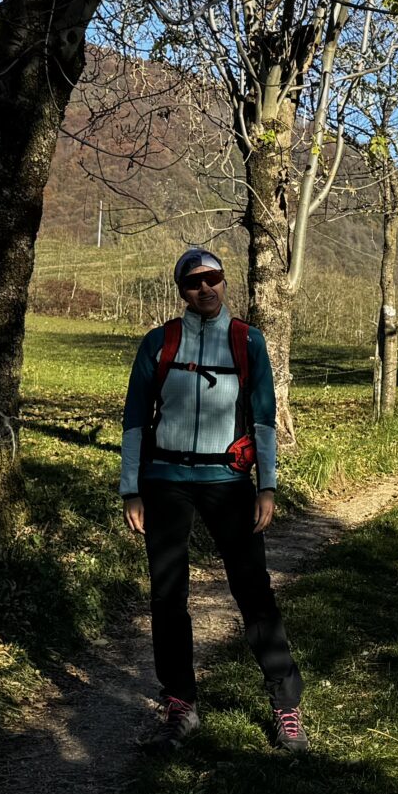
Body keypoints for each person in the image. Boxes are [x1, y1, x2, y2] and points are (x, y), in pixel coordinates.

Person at [120, 247, 307, 752]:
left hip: (228, 482)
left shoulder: (249, 341)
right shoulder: (159, 343)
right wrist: (131, 488)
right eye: (193, 283)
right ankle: (180, 703)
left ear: (226, 282)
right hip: (165, 481)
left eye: (214, 279)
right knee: (167, 595)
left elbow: (264, 419)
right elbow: (135, 418)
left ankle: (285, 706)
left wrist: (266, 485)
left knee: (253, 590)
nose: (205, 289)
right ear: (181, 290)